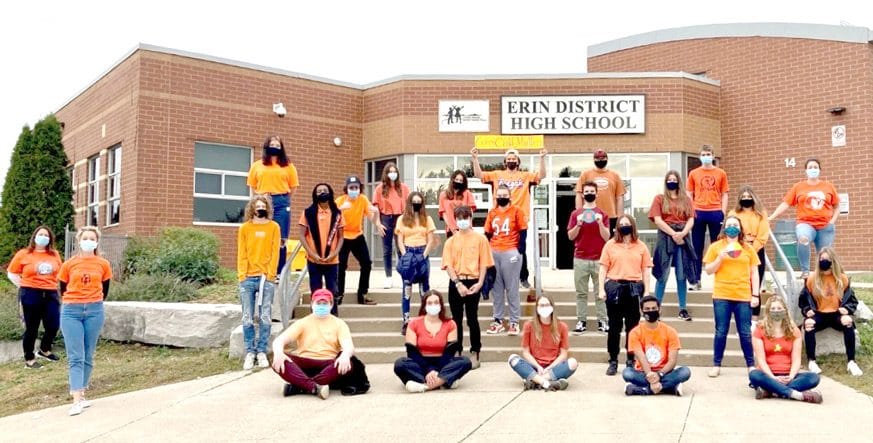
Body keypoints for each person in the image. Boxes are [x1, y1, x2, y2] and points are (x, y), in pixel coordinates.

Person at [471, 147, 547, 289]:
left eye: (514, 158)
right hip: (499, 217)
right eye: (509, 159)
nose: (511, 160)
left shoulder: (526, 176)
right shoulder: (496, 174)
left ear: (518, 162)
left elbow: (541, 176)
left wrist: (542, 158)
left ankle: (523, 277)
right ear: (505, 161)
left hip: (519, 218)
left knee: (520, 249)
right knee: (496, 249)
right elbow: (479, 175)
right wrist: (475, 158)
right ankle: (495, 277)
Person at [271, 289, 367, 399]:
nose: (321, 306)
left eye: (325, 303)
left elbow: (348, 346)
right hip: (304, 364)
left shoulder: (340, 324)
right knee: (278, 360)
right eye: (318, 303)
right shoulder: (303, 322)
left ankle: (300, 386)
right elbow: (279, 340)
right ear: (312, 304)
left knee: (348, 362)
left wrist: (345, 356)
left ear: (331, 305)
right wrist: (278, 353)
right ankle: (314, 387)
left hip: (328, 365)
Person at [58, 226, 112, 416]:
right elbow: (62, 288)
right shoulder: (69, 264)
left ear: (96, 242)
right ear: (79, 241)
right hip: (71, 311)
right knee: (76, 356)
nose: (88, 241)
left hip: (94, 310)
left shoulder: (103, 264)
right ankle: (75, 400)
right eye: (85, 238)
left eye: (92, 238)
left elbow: (105, 288)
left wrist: (93, 302)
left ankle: (82, 392)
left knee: (88, 354)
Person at [703, 215, 759, 377]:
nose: (732, 227)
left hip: (743, 296)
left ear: (740, 228)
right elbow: (708, 270)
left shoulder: (748, 249)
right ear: (724, 228)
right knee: (721, 331)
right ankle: (716, 364)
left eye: (735, 224)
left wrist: (755, 294)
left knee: (745, 332)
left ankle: (750, 365)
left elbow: (754, 272)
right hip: (722, 295)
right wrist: (720, 257)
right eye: (729, 224)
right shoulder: (716, 247)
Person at [599, 215, 652, 376]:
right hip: (614, 287)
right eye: (621, 224)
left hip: (633, 288)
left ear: (633, 226)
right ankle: (613, 360)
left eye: (627, 224)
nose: (623, 226)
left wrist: (647, 291)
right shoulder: (610, 245)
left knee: (632, 328)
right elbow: (603, 268)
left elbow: (646, 270)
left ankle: (631, 359)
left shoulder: (641, 246)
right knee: (614, 328)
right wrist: (601, 289)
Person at [768, 158, 839, 279]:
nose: (813, 169)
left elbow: (836, 206)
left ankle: (823, 274)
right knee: (803, 239)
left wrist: (832, 222)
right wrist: (771, 217)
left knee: (825, 254)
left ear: (820, 170)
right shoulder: (798, 187)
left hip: (825, 226)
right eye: (810, 167)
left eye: (815, 167)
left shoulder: (828, 186)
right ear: (806, 170)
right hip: (805, 223)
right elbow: (785, 203)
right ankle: (805, 271)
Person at [442, 205, 494, 369]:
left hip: (473, 282)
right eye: (459, 219)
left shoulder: (480, 239)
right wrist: (457, 283)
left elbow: (484, 263)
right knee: (456, 320)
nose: (462, 221)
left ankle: (475, 352)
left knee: (472, 318)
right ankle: (457, 351)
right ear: (455, 220)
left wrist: (480, 283)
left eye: (465, 218)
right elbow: (448, 264)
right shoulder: (451, 241)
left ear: (471, 219)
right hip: (456, 282)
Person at [799, 247, 863, 376]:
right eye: (821, 259)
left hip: (836, 314)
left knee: (848, 322)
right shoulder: (812, 279)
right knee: (809, 324)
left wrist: (847, 309)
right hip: (819, 314)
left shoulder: (842, 279)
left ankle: (851, 362)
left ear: (833, 261)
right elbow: (803, 300)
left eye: (827, 259)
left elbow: (852, 301)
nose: (824, 262)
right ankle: (812, 361)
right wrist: (807, 311)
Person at [6, 225, 63, 369]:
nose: (43, 237)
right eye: (40, 234)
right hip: (31, 294)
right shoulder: (24, 254)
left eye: (46, 235)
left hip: (50, 293)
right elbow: (11, 273)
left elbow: (60, 272)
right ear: (34, 236)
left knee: (53, 325)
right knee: (32, 328)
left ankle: (44, 350)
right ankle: (29, 358)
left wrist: (55, 284)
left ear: (50, 239)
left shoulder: (54, 254)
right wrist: (24, 285)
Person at [394, 290, 472, 392]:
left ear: (441, 305)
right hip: (420, 362)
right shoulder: (414, 323)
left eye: (436, 302)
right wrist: (428, 370)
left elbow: (449, 353)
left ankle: (426, 386)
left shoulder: (450, 324)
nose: (433, 305)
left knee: (465, 362)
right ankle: (445, 380)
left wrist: (436, 370)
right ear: (424, 306)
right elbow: (412, 352)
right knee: (400, 364)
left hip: (443, 362)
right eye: (430, 303)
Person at [749, 295, 823, 403]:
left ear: (785, 310)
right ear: (768, 311)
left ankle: (770, 391)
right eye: (773, 309)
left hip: (788, 375)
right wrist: (773, 378)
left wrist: (791, 376)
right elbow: (761, 360)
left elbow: (797, 359)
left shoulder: (794, 331)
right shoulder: (759, 330)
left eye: (779, 308)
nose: (776, 311)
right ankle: (797, 395)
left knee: (813, 377)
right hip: (767, 374)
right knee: (753, 374)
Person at [237, 194, 281, 370]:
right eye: (258, 206)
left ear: (267, 208)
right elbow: (242, 252)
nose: (260, 208)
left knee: (265, 316)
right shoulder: (245, 228)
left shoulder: (274, 227)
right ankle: (250, 352)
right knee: (247, 317)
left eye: (263, 206)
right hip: (247, 278)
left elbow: (275, 252)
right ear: (252, 208)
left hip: (266, 278)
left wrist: (270, 275)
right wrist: (242, 275)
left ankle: (261, 351)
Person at [649, 170, 698, 321]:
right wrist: (673, 234)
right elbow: (657, 220)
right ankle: (655, 309)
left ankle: (682, 309)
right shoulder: (659, 198)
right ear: (666, 182)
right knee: (662, 274)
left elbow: (691, 219)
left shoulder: (686, 200)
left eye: (674, 179)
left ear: (679, 182)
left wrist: (682, 234)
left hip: (683, 237)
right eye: (669, 179)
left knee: (681, 274)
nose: (672, 181)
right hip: (665, 236)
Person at [247, 135, 299, 277]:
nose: (274, 147)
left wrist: (283, 198)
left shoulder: (288, 166)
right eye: (272, 144)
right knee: (262, 234)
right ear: (266, 147)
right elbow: (252, 185)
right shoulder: (257, 165)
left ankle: (279, 272)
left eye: (277, 145)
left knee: (281, 237)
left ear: (281, 148)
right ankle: (260, 269)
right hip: (263, 200)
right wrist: (259, 198)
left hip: (281, 201)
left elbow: (293, 187)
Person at [623, 295, 692, 396]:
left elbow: (672, 360)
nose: (651, 311)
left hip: (665, 372)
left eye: (654, 308)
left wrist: (659, 375)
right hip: (643, 372)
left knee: (685, 372)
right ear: (642, 311)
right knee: (627, 373)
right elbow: (641, 357)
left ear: (659, 310)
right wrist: (651, 376)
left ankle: (644, 390)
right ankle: (670, 388)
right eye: (647, 309)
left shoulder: (670, 331)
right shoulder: (635, 332)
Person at [508, 295, 577, 391]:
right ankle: (547, 383)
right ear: (537, 308)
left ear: (552, 307)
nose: (544, 307)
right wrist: (538, 366)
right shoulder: (529, 325)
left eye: (547, 305)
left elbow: (563, 354)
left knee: (573, 363)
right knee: (513, 359)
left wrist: (549, 367)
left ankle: (535, 381)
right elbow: (525, 352)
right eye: (541, 305)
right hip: (534, 366)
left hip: (553, 367)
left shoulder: (562, 326)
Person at [567, 181, 610, 334]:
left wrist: (600, 224)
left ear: (597, 194)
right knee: (581, 293)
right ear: (582, 194)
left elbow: (607, 237)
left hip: (600, 260)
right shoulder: (575, 214)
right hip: (580, 258)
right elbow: (570, 237)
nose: (589, 193)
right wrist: (578, 225)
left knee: (601, 293)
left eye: (592, 191)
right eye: (587, 191)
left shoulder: (603, 214)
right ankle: (581, 321)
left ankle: (603, 321)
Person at [484, 185, 527, 336]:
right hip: (495, 251)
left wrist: (519, 250)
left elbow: (523, 232)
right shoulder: (492, 213)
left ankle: (514, 321)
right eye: (499, 194)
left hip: (510, 251)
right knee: (496, 288)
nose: (501, 197)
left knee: (512, 287)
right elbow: (487, 233)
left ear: (509, 196)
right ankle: (498, 320)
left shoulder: (516, 211)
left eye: (504, 194)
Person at [687, 144, 730, 290]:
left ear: (713, 155)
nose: (706, 156)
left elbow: (725, 194)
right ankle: (695, 280)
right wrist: (691, 210)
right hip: (698, 211)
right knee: (697, 247)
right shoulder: (693, 173)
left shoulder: (721, 173)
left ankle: (720, 279)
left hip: (715, 211)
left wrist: (722, 212)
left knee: (717, 246)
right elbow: (689, 193)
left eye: (708, 154)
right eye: (703, 154)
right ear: (700, 156)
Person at [336, 175, 384, 306]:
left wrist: (377, 216)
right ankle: (338, 294)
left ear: (359, 189)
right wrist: (339, 210)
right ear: (346, 189)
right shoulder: (340, 201)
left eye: (356, 187)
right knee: (341, 266)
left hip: (357, 235)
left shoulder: (363, 199)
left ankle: (362, 294)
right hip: (342, 236)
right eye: (351, 187)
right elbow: (330, 217)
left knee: (366, 263)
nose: (354, 190)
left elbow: (372, 218)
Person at [395, 192, 438, 335]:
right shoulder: (402, 219)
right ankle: (406, 321)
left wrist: (423, 256)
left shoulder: (427, 219)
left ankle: (426, 320)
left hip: (422, 253)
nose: (416, 204)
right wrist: (405, 256)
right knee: (407, 290)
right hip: (408, 252)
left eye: (419, 202)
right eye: (414, 202)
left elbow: (431, 240)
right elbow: (400, 239)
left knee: (424, 290)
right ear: (409, 203)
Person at [299, 183, 344, 315]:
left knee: (333, 290)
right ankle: (315, 316)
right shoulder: (308, 212)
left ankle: (333, 316)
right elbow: (302, 235)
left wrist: (334, 253)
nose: (322, 192)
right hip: (313, 260)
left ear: (330, 193)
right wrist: (311, 253)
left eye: (325, 190)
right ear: (314, 194)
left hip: (332, 260)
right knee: (315, 289)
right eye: (319, 191)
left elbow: (341, 237)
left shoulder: (337, 213)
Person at [728, 186, 769, 321]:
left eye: (749, 197)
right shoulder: (733, 213)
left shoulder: (761, 214)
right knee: (741, 285)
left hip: (756, 250)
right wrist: (742, 247)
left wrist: (752, 249)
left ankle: (754, 321)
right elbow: (731, 231)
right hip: (738, 250)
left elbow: (763, 235)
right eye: (743, 197)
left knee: (755, 286)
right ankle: (741, 319)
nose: (746, 199)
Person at [372, 162, 409, 289]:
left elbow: (408, 205)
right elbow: (375, 208)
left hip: (400, 217)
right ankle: (388, 277)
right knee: (387, 250)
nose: (393, 174)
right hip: (386, 218)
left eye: (395, 171)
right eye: (390, 172)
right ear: (386, 174)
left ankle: (404, 276)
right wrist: (378, 224)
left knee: (401, 248)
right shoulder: (380, 188)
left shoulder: (403, 188)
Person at [576, 148, 626, 236]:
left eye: (603, 158)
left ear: (607, 159)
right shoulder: (585, 174)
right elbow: (579, 195)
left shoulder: (615, 175)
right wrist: (579, 213)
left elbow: (620, 197)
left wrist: (620, 218)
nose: (600, 160)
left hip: (610, 217)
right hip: (589, 215)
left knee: (609, 244)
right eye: (598, 159)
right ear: (594, 160)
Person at [438, 170, 476, 238]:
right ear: (452, 180)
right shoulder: (443, 195)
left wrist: (468, 227)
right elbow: (444, 214)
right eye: (457, 179)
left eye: (461, 180)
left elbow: (470, 212)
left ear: (464, 182)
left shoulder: (467, 194)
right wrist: (453, 230)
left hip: (465, 229)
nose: (458, 182)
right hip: (451, 230)